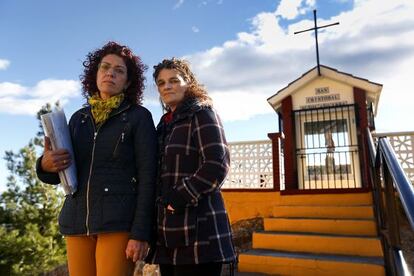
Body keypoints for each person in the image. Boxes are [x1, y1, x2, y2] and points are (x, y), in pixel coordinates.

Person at [36, 41, 157, 276]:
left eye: (119, 70)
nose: (110, 73)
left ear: (128, 82)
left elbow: (148, 177)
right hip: (76, 220)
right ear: (96, 73)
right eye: (105, 67)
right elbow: (63, 173)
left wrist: (141, 232)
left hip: (118, 223)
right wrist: (45, 165)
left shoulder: (138, 117)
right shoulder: (78, 118)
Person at [148, 58, 236, 276]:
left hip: (201, 234)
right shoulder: (164, 124)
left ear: (189, 83)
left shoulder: (202, 113)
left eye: (174, 80)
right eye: (161, 83)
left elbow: (217, 164)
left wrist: (178, 197)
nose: (167, 86)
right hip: (169, 235)